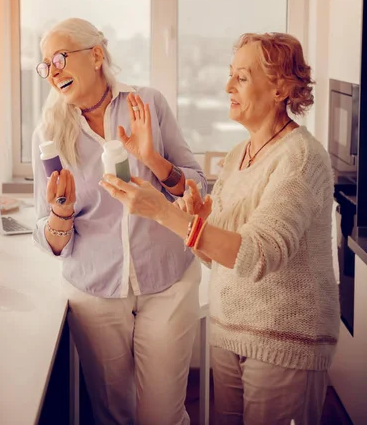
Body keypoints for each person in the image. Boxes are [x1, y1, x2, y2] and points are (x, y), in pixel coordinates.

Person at [101, 32, 340, 425]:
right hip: (229, 331)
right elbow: (220, 256)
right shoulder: (237, 156)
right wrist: (196, 220)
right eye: (230, 75)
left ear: (280, 87)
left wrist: (163, 212)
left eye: (241, 78)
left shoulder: (300, 159)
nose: (227, 86)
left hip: (284, 340)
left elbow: (256, 255)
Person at [32, 17, 206, 425]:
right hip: (95, 292)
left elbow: (197, 188)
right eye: (45, 66)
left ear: (95, 55)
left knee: (162, 415)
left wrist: (154, 162)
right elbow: (49, 237)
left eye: (59, 58)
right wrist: (60, 212)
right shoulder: (51, 133)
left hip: (168, 284)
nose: (52, 71)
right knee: (114, 415)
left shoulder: (146, 105)